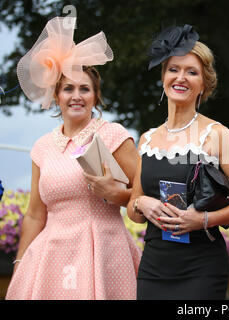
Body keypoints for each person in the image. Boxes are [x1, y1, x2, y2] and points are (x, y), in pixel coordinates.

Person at [126, 24, 229, 300]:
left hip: (201, 268)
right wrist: (141, 203)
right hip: (153, 266)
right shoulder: (147, 139)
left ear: (204, 84)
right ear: (163, 77)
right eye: (173, 69)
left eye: (192, 72)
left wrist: (204, 219)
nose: (181, 77)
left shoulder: (217, 136)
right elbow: (133, 210)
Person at [6, 17, 141, 300]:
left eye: (85, 89)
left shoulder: (112, 135)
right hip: (51, 256)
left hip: (103, 250)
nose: (76, 96)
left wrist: (118, 195)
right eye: (68, 89)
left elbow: (146, 192)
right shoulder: (41, 147)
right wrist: (21, 263)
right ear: (56, 96)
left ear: (95, 96)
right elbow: (34, 214)